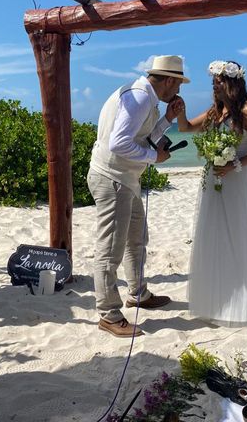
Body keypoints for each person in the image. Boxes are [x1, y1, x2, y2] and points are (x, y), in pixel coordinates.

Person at [87, 55, 189, 337]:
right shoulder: (142, 97)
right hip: (113, 178)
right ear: (169, 80)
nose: (178, 92)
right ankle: (108, 314)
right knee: (110, 249)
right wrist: (154, 157)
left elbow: (140, 135)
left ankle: (138, 293)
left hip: (125, 178)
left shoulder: (144, 96)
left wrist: (167, 119)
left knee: (136, 239)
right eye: (178, 85)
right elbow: (119, 144)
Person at [177, 60, 247, 331]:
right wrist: (180, 112)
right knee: (216, 237)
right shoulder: (215, 112)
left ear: (232, 83)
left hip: (239, 180)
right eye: (213, 82)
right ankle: (221, 300)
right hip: (215, 182)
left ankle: (246, 303)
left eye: (217, 82)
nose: (213, 86)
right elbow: (186, 128)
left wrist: (235, 165)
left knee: (240, 237)